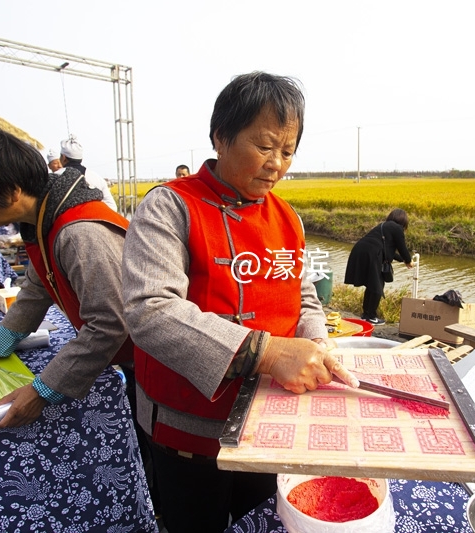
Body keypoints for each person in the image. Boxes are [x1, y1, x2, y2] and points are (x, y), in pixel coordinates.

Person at [123, 71, 358, 533]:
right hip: (188, 428)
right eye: (265, 145)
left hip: (270, 420)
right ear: (220, 136)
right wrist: (267, 351)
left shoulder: (288, 217)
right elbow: (149, 310)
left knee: (263, 521)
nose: (277, 164)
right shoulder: (169, 206)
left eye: (288, 151)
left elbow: (304, 293)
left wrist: (317, 343)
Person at [0, 127, 134, 429]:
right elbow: (37, 284)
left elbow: (110, 323)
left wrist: (42, 391)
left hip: (145, 365)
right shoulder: (45, 219)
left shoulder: (79, 232)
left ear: (11, 191)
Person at [344, 208, 414, 325]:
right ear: (403, 221)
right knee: (377, 285)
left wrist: (402, 260)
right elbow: (402, 248)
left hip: (360, 250)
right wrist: (409, 260)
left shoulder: (384, 225)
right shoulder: (397, 228)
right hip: (371, 253)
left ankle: (366, 315)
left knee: (371, 284)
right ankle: (371, 316)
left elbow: (387, 249)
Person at [55, 134, 118, 211]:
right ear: (81, 158)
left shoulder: (56, 177)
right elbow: (112, 207)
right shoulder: (97, 178)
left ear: (64, 157)